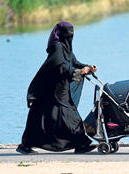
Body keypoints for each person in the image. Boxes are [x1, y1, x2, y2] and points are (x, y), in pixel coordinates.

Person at [16, 21, 97, 155]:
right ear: (60, 33)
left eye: (72, 33)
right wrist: (79, 72)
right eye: (67, 33)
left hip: (62, 90)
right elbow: (61, 68)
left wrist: (87, 67)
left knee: (49, 118)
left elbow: (74, 63)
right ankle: (25, 145)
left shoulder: (66, 47)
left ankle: (80, 144)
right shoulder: (57, 47)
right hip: (51, 90)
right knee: (56, 118)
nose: (70, 36)